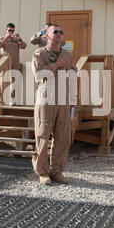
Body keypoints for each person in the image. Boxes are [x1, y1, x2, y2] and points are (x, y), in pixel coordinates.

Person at [32, 24, 77, 185]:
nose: (59, 34)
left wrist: (73, 98)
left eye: (61, 32)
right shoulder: (40, 53)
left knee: (63, 137)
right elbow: (38, 74)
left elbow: (72, 74)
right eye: (55, 32)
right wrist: (56, 65)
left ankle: (57, 171)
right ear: (47, 35)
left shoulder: (68, 55)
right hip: (46, 99)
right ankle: (42, 172)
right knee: (43, 135)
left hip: (63, 99)